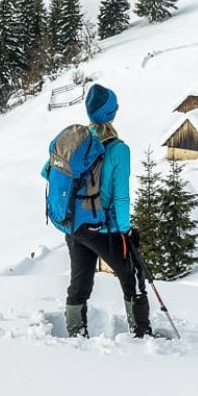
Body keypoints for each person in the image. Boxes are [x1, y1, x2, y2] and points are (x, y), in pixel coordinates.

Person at [63, 83, 152, 339]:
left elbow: (49, 171)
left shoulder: (76, 143)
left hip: (76, 226)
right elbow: (121, 196)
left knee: (80, 281)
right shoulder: (118, 149)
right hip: (105, 229)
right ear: (111, 113)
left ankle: (75, 333)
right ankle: (141, 331)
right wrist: (125, 231)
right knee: (132, 276)